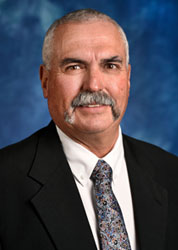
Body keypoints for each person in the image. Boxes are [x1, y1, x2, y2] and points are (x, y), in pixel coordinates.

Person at [0, 8, 178, 250]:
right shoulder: (5, 182)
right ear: (45, 81)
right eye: (74, 66)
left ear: (127, 78)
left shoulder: (171, 173)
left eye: (110, 66)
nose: (94, 85)